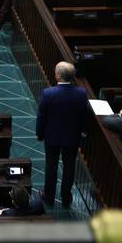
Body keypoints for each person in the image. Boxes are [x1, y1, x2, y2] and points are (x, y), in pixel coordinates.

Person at [35, 61, 90, 207]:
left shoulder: (48, 93)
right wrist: (83, 131)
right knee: (69, 166)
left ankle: (49, 195)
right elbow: (84, 115)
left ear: (58, 75)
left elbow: (42, 116)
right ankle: (66, 198)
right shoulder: (81, 93)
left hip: (52, 136)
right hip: (72, 136)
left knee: (51, 165)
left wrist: (39, 133)